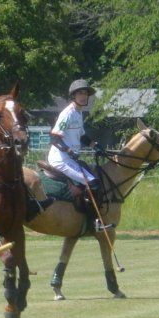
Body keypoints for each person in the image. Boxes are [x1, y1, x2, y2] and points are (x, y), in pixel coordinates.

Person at [47, 79, 107, 225]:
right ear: (73, 96)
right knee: (93, 183)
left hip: (70, 158)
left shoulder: (79, 113)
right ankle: (94, 222)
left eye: (85, 93)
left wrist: (95, 146)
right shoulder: (67, 113)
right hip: (60, 159)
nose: (83, 96)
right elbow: (54, 138)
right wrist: (68, 150)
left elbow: (82, 136)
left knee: (95, 179)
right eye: (80, 93)